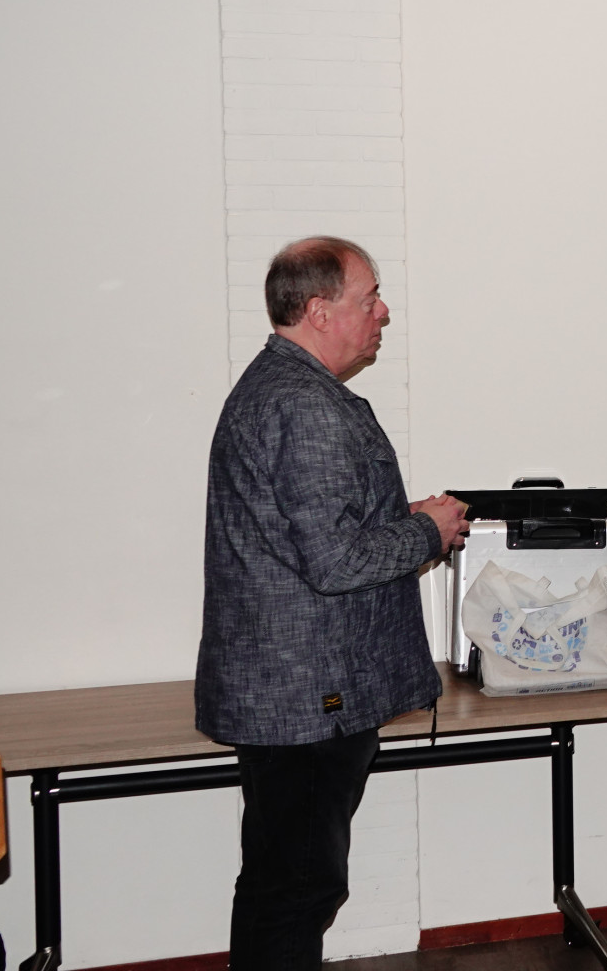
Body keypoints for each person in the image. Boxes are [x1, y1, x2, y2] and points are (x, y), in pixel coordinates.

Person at [196, 236, 471, 970]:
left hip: (292, 693)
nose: (384, 312)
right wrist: (427, 531)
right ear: (319, 311)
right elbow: (335, 561)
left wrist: (398, 517)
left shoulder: (281, 389)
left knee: (281, 881)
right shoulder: (305, 405)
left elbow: (309, 534)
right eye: (369, 297)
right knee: (298, 889)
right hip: (308, 697)